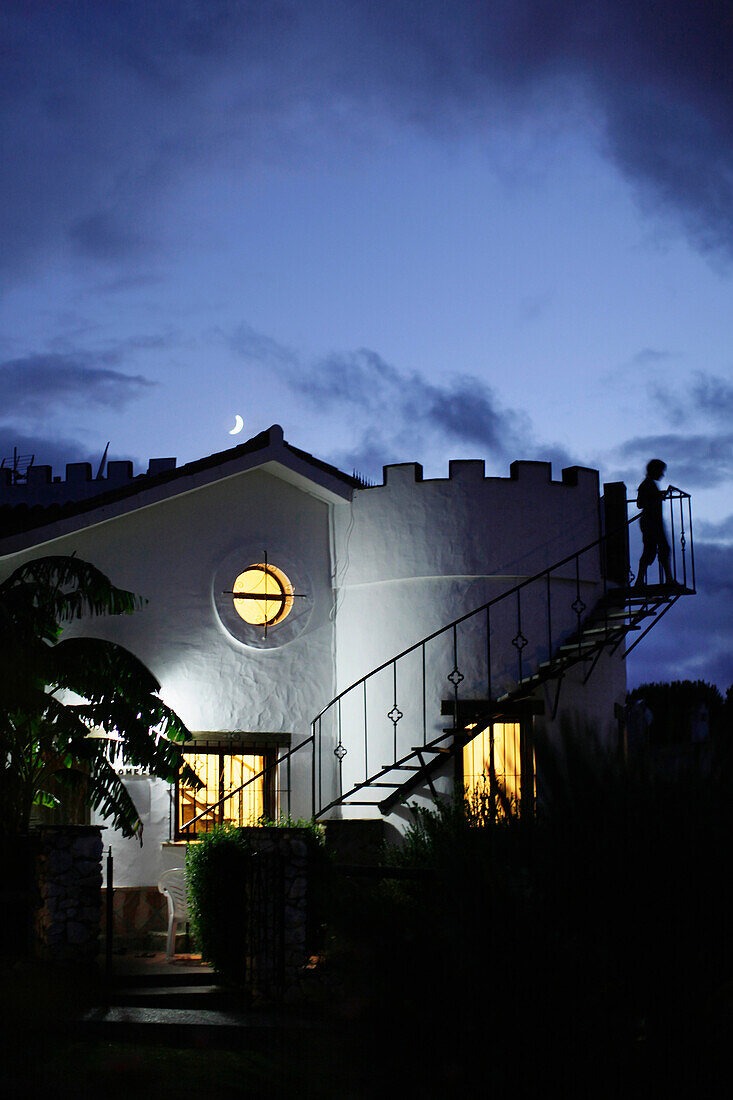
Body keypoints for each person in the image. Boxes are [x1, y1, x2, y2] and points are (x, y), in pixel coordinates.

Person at [634, 459, 676, 587]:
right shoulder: (647, 484)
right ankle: (666, 579)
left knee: (654, 550)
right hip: (651, 522)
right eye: (661, 471)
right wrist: (657, 498)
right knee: (655, 550)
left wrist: (659, 496)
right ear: (655, 471)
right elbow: (640, 504)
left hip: (653, 522)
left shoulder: (648, 484)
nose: (662, 475)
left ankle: (642, 580)